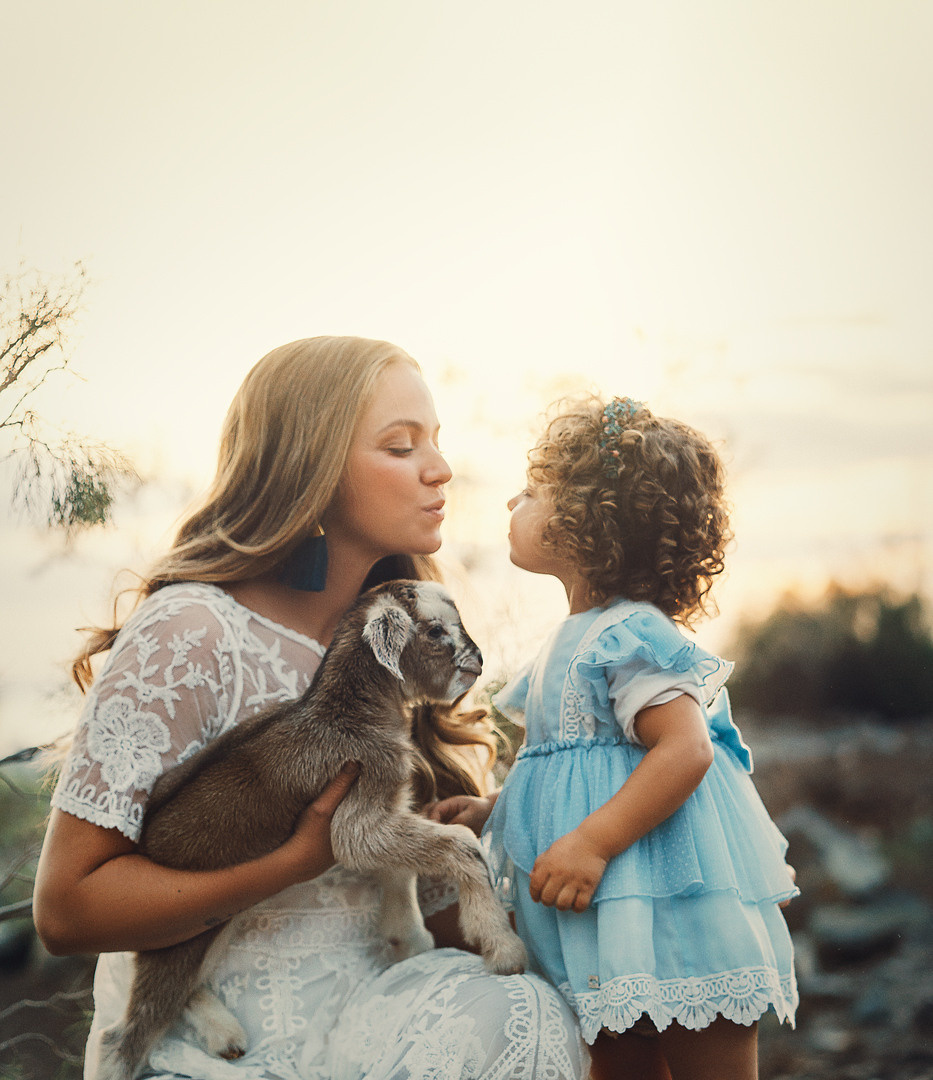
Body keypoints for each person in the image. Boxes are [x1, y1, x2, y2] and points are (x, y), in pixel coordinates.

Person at [33, 337, 589, 1080]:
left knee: (525, 1015)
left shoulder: (396, 646)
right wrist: (293, 861)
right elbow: (68, 911)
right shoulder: (193, 632)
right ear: (311, 471)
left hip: (378, 1029)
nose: (439, 468)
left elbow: (430, 919)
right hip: (214, 1051)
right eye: (399, 446)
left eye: (435, 442)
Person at [429, 396, 798, 1080]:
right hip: (604, 919)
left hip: (671, 905)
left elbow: (684, 749)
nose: (515, 498)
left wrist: (593, 841)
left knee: (705, 1058)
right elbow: (571, 768)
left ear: (585, 525)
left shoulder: (627, 633)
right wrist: (495, 809)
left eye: (534, 492)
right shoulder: (566, 644)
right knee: (615, 1061)